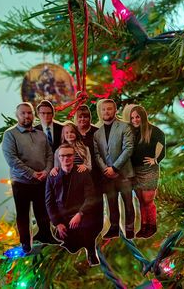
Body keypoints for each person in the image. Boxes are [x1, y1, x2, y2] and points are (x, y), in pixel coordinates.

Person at [2, 102, 59, 254]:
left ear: (33, 115)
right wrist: (32, 174)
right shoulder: (10, 135)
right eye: (23, 113)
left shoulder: (40, 134)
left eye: (29, 113)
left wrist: (46, 171)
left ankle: (46, 235)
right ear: (17, 115)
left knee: (43, 210)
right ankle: (26, 243)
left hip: (41, 180)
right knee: (23, 214)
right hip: (21, 182)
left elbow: (49, 154)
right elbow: (12, 160)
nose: (27, 116)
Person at [45, 143, 100, 266]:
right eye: (62, 156)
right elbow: (49, 203)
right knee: (71, 247)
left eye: (69, 155)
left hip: (82, 213)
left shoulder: (83, 172)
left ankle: (91, 252)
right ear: (59, 158)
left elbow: (90, 197)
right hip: (63, 217)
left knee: (89, 227)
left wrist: (80, 214)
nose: (66, 159)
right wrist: (57, 223)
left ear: (74, 156)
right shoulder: (52, 176)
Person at [94, 99, 135, 239]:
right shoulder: (97, 133)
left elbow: (128, 148)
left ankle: (130, 228)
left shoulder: (124, 127)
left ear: (115, 110)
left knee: (128, 204)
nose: (106, 111)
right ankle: (114, 228)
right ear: (100, 112)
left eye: (109, 109)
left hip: (123, 174)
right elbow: (97, 154)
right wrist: (106, 169)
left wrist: (115, 168)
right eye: (104, 109)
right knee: (111, 205)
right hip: (107, 176)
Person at [122, 104, 165, 238]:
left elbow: (162, 148)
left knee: (148, 200)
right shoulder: (131, 131)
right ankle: (144, 226)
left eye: (137, 117)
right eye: (132, 118)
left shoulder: (155, 131)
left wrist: (156, 160)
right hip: (134, 170)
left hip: (149, 170)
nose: (135, 120)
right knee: (140, 200)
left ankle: (151, 226)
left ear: (143, 117)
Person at [74, 105, 104, 234]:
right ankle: (82, 231)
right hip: (78, 178)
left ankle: (98, 230)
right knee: (81, 205)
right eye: (80, 117)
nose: (82, 119)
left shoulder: (97, 132)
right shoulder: (72, 133)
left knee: (96, 203)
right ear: (76, 118)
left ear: (90, 118)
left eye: (85, 116)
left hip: (96, 175)